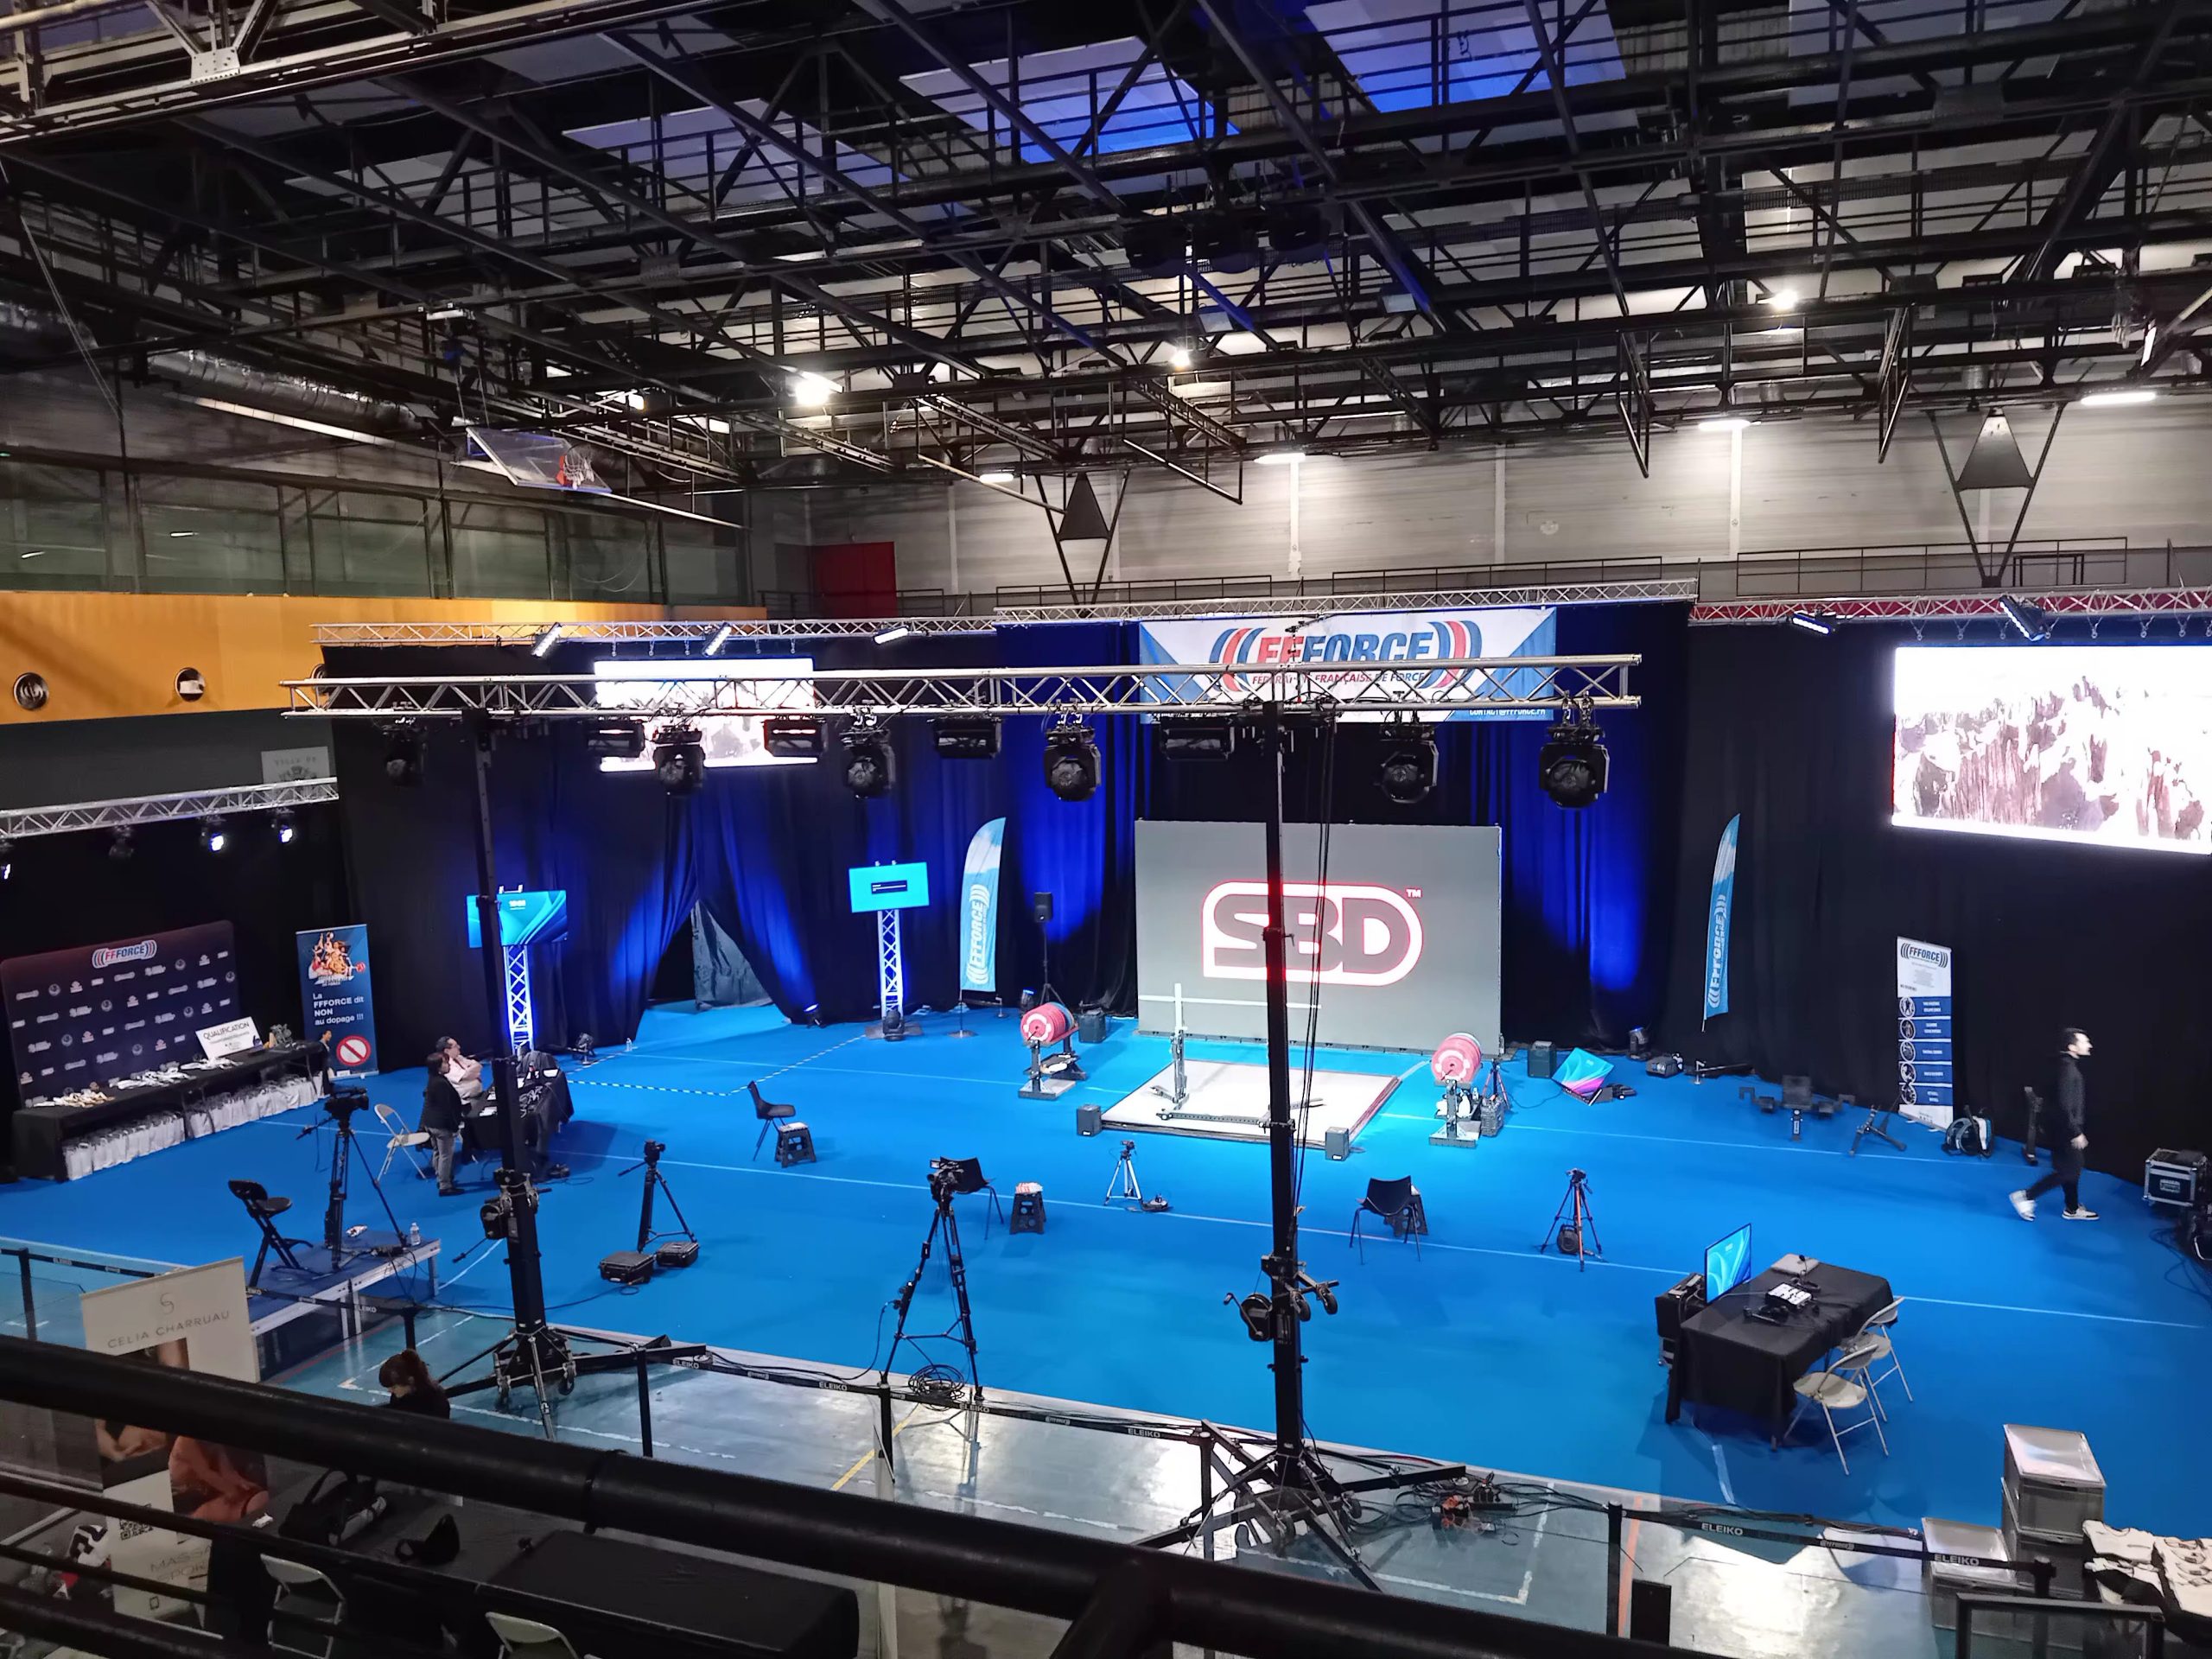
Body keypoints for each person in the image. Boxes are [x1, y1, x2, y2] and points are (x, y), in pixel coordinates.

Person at [2011, 1028, 2098, 1222]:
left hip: (2058, 1128)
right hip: (2065, 1130)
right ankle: (2026, 1196)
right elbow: (2064, 1105)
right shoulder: (2068, 1070)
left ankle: (2072, 1208)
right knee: (2069, 1171)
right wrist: (2075, 1132)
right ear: (2072, 1047)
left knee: (2071, 1169)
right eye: (2085, 1042)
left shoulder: (2063, 1065)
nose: (2090, 1045)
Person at [420, 1046, 466, 1197]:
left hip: (431, 1123)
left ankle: (440, 1178)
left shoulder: (433, 1080)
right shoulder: (440, 1084)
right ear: (438, 1067)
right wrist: (454, 1126)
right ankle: (445, 1185)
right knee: (446, 1155)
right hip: (441, 1125)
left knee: (438, 1152)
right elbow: (447, 1108)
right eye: (445, 1063)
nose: (449, 1065)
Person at [378, 1349, 451, 1420]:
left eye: (394, 1387)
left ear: (410, 1381)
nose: (389, 1391)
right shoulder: (398, 1397)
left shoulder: (437, 1401)